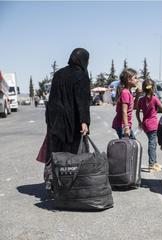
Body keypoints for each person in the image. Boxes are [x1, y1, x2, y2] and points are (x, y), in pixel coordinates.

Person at [45, 48, 91, 193]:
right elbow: (82, 100)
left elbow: (52, 99)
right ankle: (72, 185)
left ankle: (51, 182)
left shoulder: (58, 74)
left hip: (56, 121)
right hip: (73, 122)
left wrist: (50, 121)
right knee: (73, 155)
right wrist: (84, 121)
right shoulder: (81, 75)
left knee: (56, 153)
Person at [136, 79, 162, 172]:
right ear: (153, 88)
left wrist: (139, 121)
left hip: (145, 124)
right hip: (153, 125)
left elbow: (137, 111)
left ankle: (154, 162)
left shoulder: (141, 100)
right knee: (152, 144)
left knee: (152, 143)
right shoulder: (155, 98)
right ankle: (151, 164)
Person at [112, 68, 140, 139]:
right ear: (128, 80)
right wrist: (126, 127)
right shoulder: (125, 93)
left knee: (130, 146)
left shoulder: (129, 92)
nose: (137, 80)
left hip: (124, 124)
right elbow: (124, 111)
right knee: (127, 147)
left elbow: (134, 107)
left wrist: (137, 95)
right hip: (122, 125)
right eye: (135, 78)